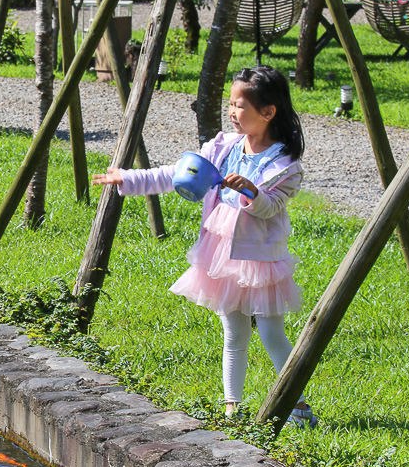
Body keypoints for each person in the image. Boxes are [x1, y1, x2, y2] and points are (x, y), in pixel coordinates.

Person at [91, 66, 316, 428]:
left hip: (259, 259)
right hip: (220, 254)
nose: (232, 112)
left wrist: (251, 192)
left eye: (239, 106)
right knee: (234, 333)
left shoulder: (285, 165)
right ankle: (232, 407)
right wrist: (128, 178)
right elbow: (177, 173)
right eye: (231, 104)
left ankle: (299, 404)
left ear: (268, 112)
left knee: (272, 332)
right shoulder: (224, 147)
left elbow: (271, 207)